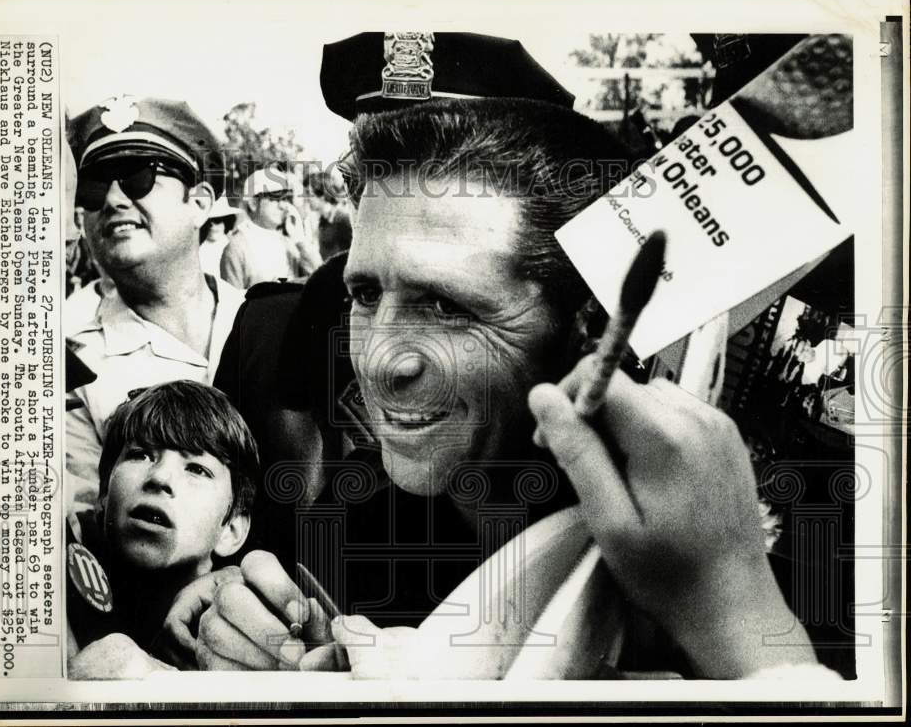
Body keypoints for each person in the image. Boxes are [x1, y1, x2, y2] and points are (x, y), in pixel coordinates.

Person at [187, 35, 834, 679]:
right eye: (363, 293)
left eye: (445, 307)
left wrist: (729, 620)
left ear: (591, 324)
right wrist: (269, 652)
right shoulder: (349, 532)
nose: (379, 361)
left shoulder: (774, 570)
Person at [65, 97, 245, 504]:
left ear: (199, 204)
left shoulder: (268, 321)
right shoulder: (69, 357)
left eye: (137, 176)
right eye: (93, 185)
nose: (112, 200)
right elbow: (89, 516)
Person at [66, 381, 257, 678]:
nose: (159, 478)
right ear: (103, 496)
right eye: (140, 454)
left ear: (231, 529)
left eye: (196, 469)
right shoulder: (61, 577)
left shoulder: (247, 632)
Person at [220, 166, 321, 289]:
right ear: (253, 203)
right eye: (275, 198)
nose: (283, 205)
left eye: (285, 198)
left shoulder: (290, 242)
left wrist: (300, 239)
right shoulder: (237, 247)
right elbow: (232, 302)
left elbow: (321, 277)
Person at [199, 196, 242, 277]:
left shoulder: (233, 248)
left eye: (217, 220)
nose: (212, 226)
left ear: (226, 222)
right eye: (208, 222)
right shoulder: (197, 247)